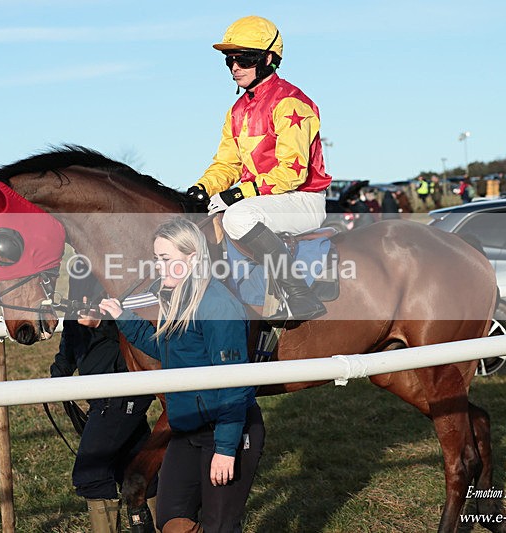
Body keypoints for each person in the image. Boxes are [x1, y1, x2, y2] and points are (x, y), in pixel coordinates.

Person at [98, 217, 265, 533]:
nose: (158, 267)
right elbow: (167, 349)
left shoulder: (219, 306)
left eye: (165, 259)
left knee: (220, 527)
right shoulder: (177, 299)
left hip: (225, 428)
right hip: (186, 427)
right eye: (156, 259)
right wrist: (123, 317)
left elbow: (234, 384)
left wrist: (226, 448)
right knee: (171, 522)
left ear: (192, 258)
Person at [185, 15, 331, 322]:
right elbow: (227, 163)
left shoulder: (291, 102)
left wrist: (237, 194)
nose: (235, 67)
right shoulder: (237, 110)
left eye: (245, 59)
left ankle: (298, 294)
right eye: (230, 60)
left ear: (268, 59)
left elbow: (291, 173)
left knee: (237, 216)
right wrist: (202, 188)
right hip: (262, 199)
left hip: (301, 199)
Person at [50, 262, 157, 533]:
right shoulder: (76, 305)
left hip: (121, 397)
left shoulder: (121, 299)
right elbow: (68, 351)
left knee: (91, 472)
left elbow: (138, 336)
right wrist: (53, 379)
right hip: (104, 401)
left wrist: (100, 324)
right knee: (138, 466)